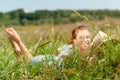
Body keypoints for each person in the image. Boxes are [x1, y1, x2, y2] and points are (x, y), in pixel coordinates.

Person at [5, 25, 110, 64]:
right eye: (81, 38)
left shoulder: (85, 53)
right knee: (26, 63)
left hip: (50, 60)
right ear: (74, 41)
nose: (86, 40)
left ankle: (14, 40)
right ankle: (17, 41)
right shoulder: (72, 54)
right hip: (42, 61)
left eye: (88, 37)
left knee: (22, 63)